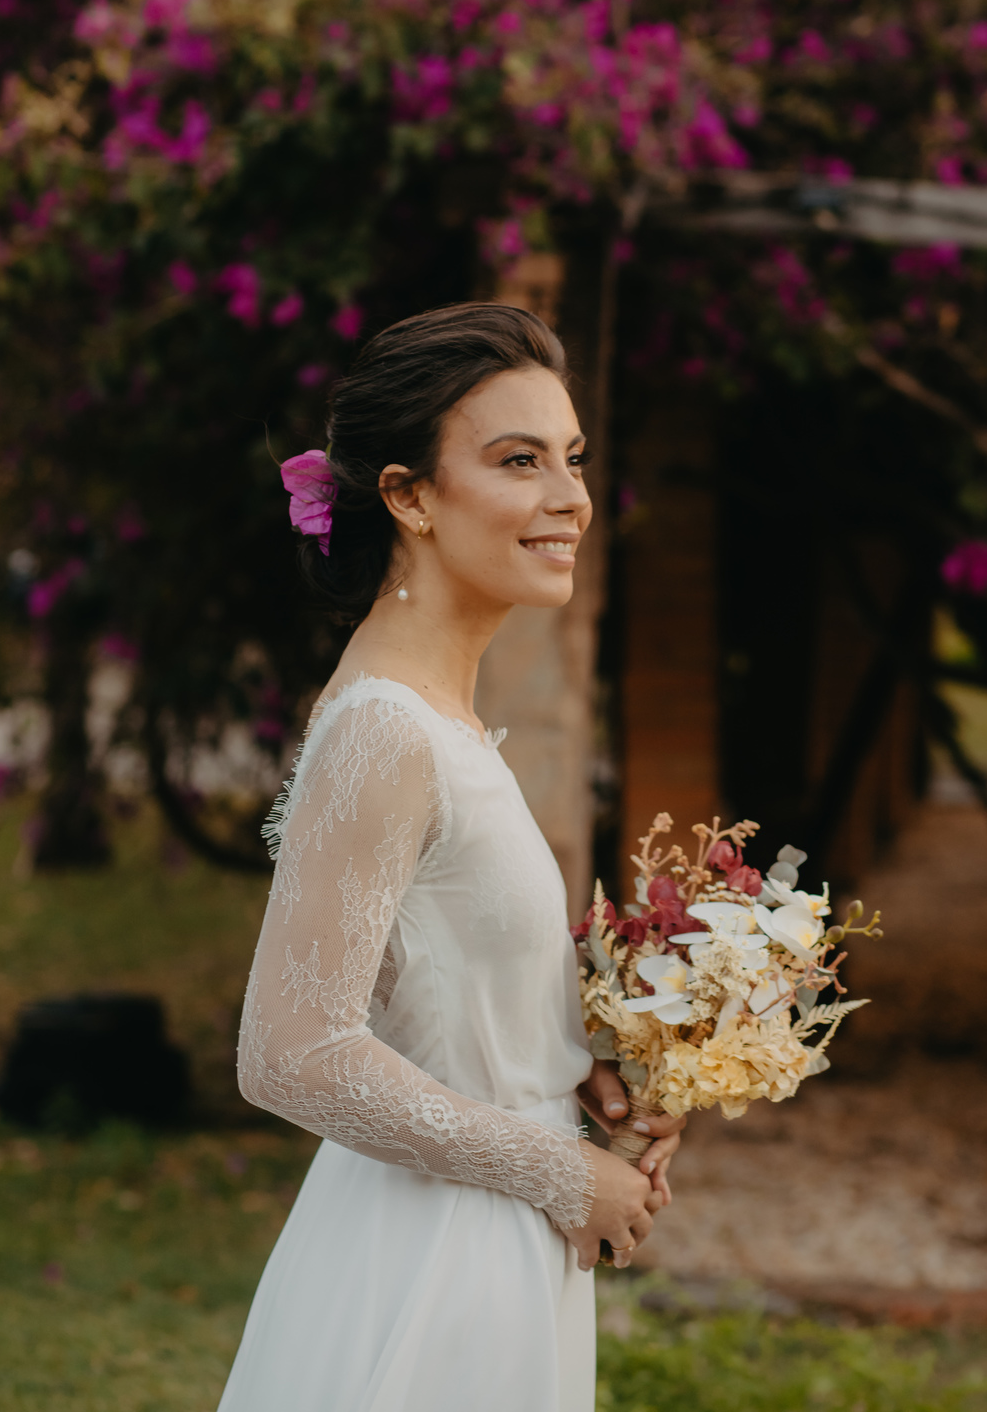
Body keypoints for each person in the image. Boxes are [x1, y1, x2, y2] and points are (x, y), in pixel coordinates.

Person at [217, 303, 684, 1412]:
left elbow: (429, 1001)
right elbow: (289, 1050)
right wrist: (559, 1170)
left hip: (491, 1241)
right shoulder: (387, 731)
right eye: (518, 461)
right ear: (408, 495)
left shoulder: (440, 722)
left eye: (572, 459)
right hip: (431, 1267)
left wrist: (591, 1073)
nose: (567, 497)